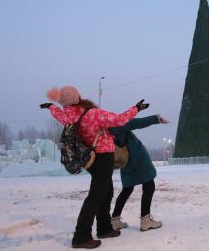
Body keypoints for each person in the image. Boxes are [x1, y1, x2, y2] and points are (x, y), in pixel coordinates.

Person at [40, 85, 148, 249]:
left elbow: (58, 114)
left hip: (89, 158)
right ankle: (81, 236)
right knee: (96, 195)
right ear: (77, 97)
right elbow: (119, 120)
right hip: (103, 157)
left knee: (106, 191)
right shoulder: (93, 113)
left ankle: (104, 228)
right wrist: (136, 108)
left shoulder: (68, 115)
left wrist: (50, 106)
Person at [109, 115, 168, 231]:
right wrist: (156, 119)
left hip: (125, 162)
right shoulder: (115, 125)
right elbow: (135, 123)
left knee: (127, 189)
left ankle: (115, 220)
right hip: (137, 159)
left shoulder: (104, 129)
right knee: (149, 185)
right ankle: (145, 220)